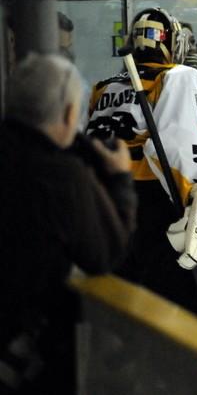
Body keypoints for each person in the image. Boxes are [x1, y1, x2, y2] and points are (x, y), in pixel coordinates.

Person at [86, 8, 197, 331]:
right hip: (156, 204)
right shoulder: (180, 77)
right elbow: (179, 150)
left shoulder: (103, 88)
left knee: (134, 309)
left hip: (106, 206)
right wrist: (195, 206)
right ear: (171, 43)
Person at [1, 53, 136, 394]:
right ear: (69, 113)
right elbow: (105, 253)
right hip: (22, 345)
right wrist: (120, 179)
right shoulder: (61, 176)